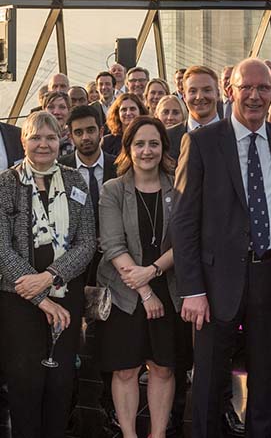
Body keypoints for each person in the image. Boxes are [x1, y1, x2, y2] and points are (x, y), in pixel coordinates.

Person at [172, 58, 271, 437]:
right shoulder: (201, 142)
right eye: (247, 87)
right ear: (231, 91)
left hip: (270, 273)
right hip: (214, 282)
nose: (255, 96)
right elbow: (182, 221)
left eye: (264, 89)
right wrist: (192, 289)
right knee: (210, 378)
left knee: (265, 377)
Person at [0, 111, 96, 438]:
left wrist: (50, 277)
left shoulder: (75, 180)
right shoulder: (5, 183)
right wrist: (41, 298)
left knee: (60, 382)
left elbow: (86, 243)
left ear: (61, 140)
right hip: (18, 300)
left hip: (66, 296)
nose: (43, 144)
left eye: (50, 137)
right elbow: (1, 250)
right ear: (23, 140)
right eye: (36, 137)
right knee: (25, 382)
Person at [97, 116, 180, 438]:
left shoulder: (179, 187)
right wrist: (145, 290)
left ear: (163, 148)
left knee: (162, 367)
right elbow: (113, 245)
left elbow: (186, 241)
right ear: (128, 149)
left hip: (168, 286)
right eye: (140, 144)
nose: (147, 151)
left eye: (154, 143)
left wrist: (154, 270)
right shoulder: (113, 190)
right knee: (126, 368)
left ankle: (157, 435)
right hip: (125, 290)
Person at [58, 104, 120, 427]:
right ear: (70, 135)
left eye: (90, 131)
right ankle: (68, 403)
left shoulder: (119, 166)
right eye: (78, 132)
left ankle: (110, 404)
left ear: (101, 130)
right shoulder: (59, 169)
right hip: (72, 267)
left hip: (112, 265)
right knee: (68, 336)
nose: (85, 138)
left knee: (111, 337)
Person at [167, 66, 222, 161]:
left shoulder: (234, 135)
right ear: (184, 96)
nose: (199, 97)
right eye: (193, 91)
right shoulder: (167, 137)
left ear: (217, 94)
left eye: (207, 90)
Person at [42, 91, 73, 157]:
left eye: (62, 107)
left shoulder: (75, 140)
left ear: (69, 111)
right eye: (51, 107)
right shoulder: (35, 140)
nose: (56, 112)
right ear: (43, 110)